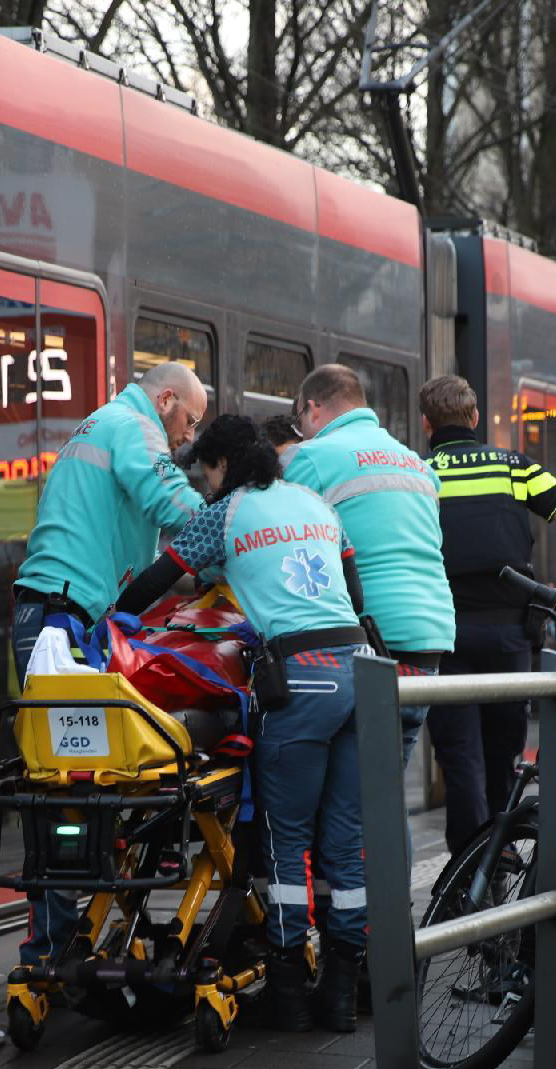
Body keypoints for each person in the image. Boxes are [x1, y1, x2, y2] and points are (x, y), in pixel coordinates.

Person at [114, 416, 369, 1032]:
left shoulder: (225, 513)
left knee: (288, 841)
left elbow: (159, 578)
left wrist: (113, 622)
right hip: (360, 672)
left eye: (206, 472)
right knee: (345, 842)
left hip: (299, 681)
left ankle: (286, 990)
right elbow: (355, 595)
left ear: (222, 465)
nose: (204, 483)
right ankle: (340, 993)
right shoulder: (312, 502)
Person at [9, 360, 206, 970]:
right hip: (63, 623)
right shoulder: (132, 424)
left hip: (48, 615)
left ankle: (61, 939)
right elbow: (171, 501)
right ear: (166, 400)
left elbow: (145, 550)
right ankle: (56, 947)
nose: (187, 438)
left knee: (62, 786)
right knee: (73, 792)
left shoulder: (95, 426)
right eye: (190, 421)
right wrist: (239, 531)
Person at [418, 375, 556, 855]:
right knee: (502, 758)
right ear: (474, 419)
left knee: (460, 764)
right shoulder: (514, 467)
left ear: (426, 423)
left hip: (444, 633)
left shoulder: (418, 472)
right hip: (509, 637)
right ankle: (498, 859)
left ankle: (465, 873)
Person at [285, 364, 453, 763]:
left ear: (313, 409)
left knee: (353, 806)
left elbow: (287, 543)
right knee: (384, 799)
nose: (301, 432)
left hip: (371, 644)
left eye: (299, 421)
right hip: (429, 644)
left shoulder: (312, 457)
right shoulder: (416, 463)